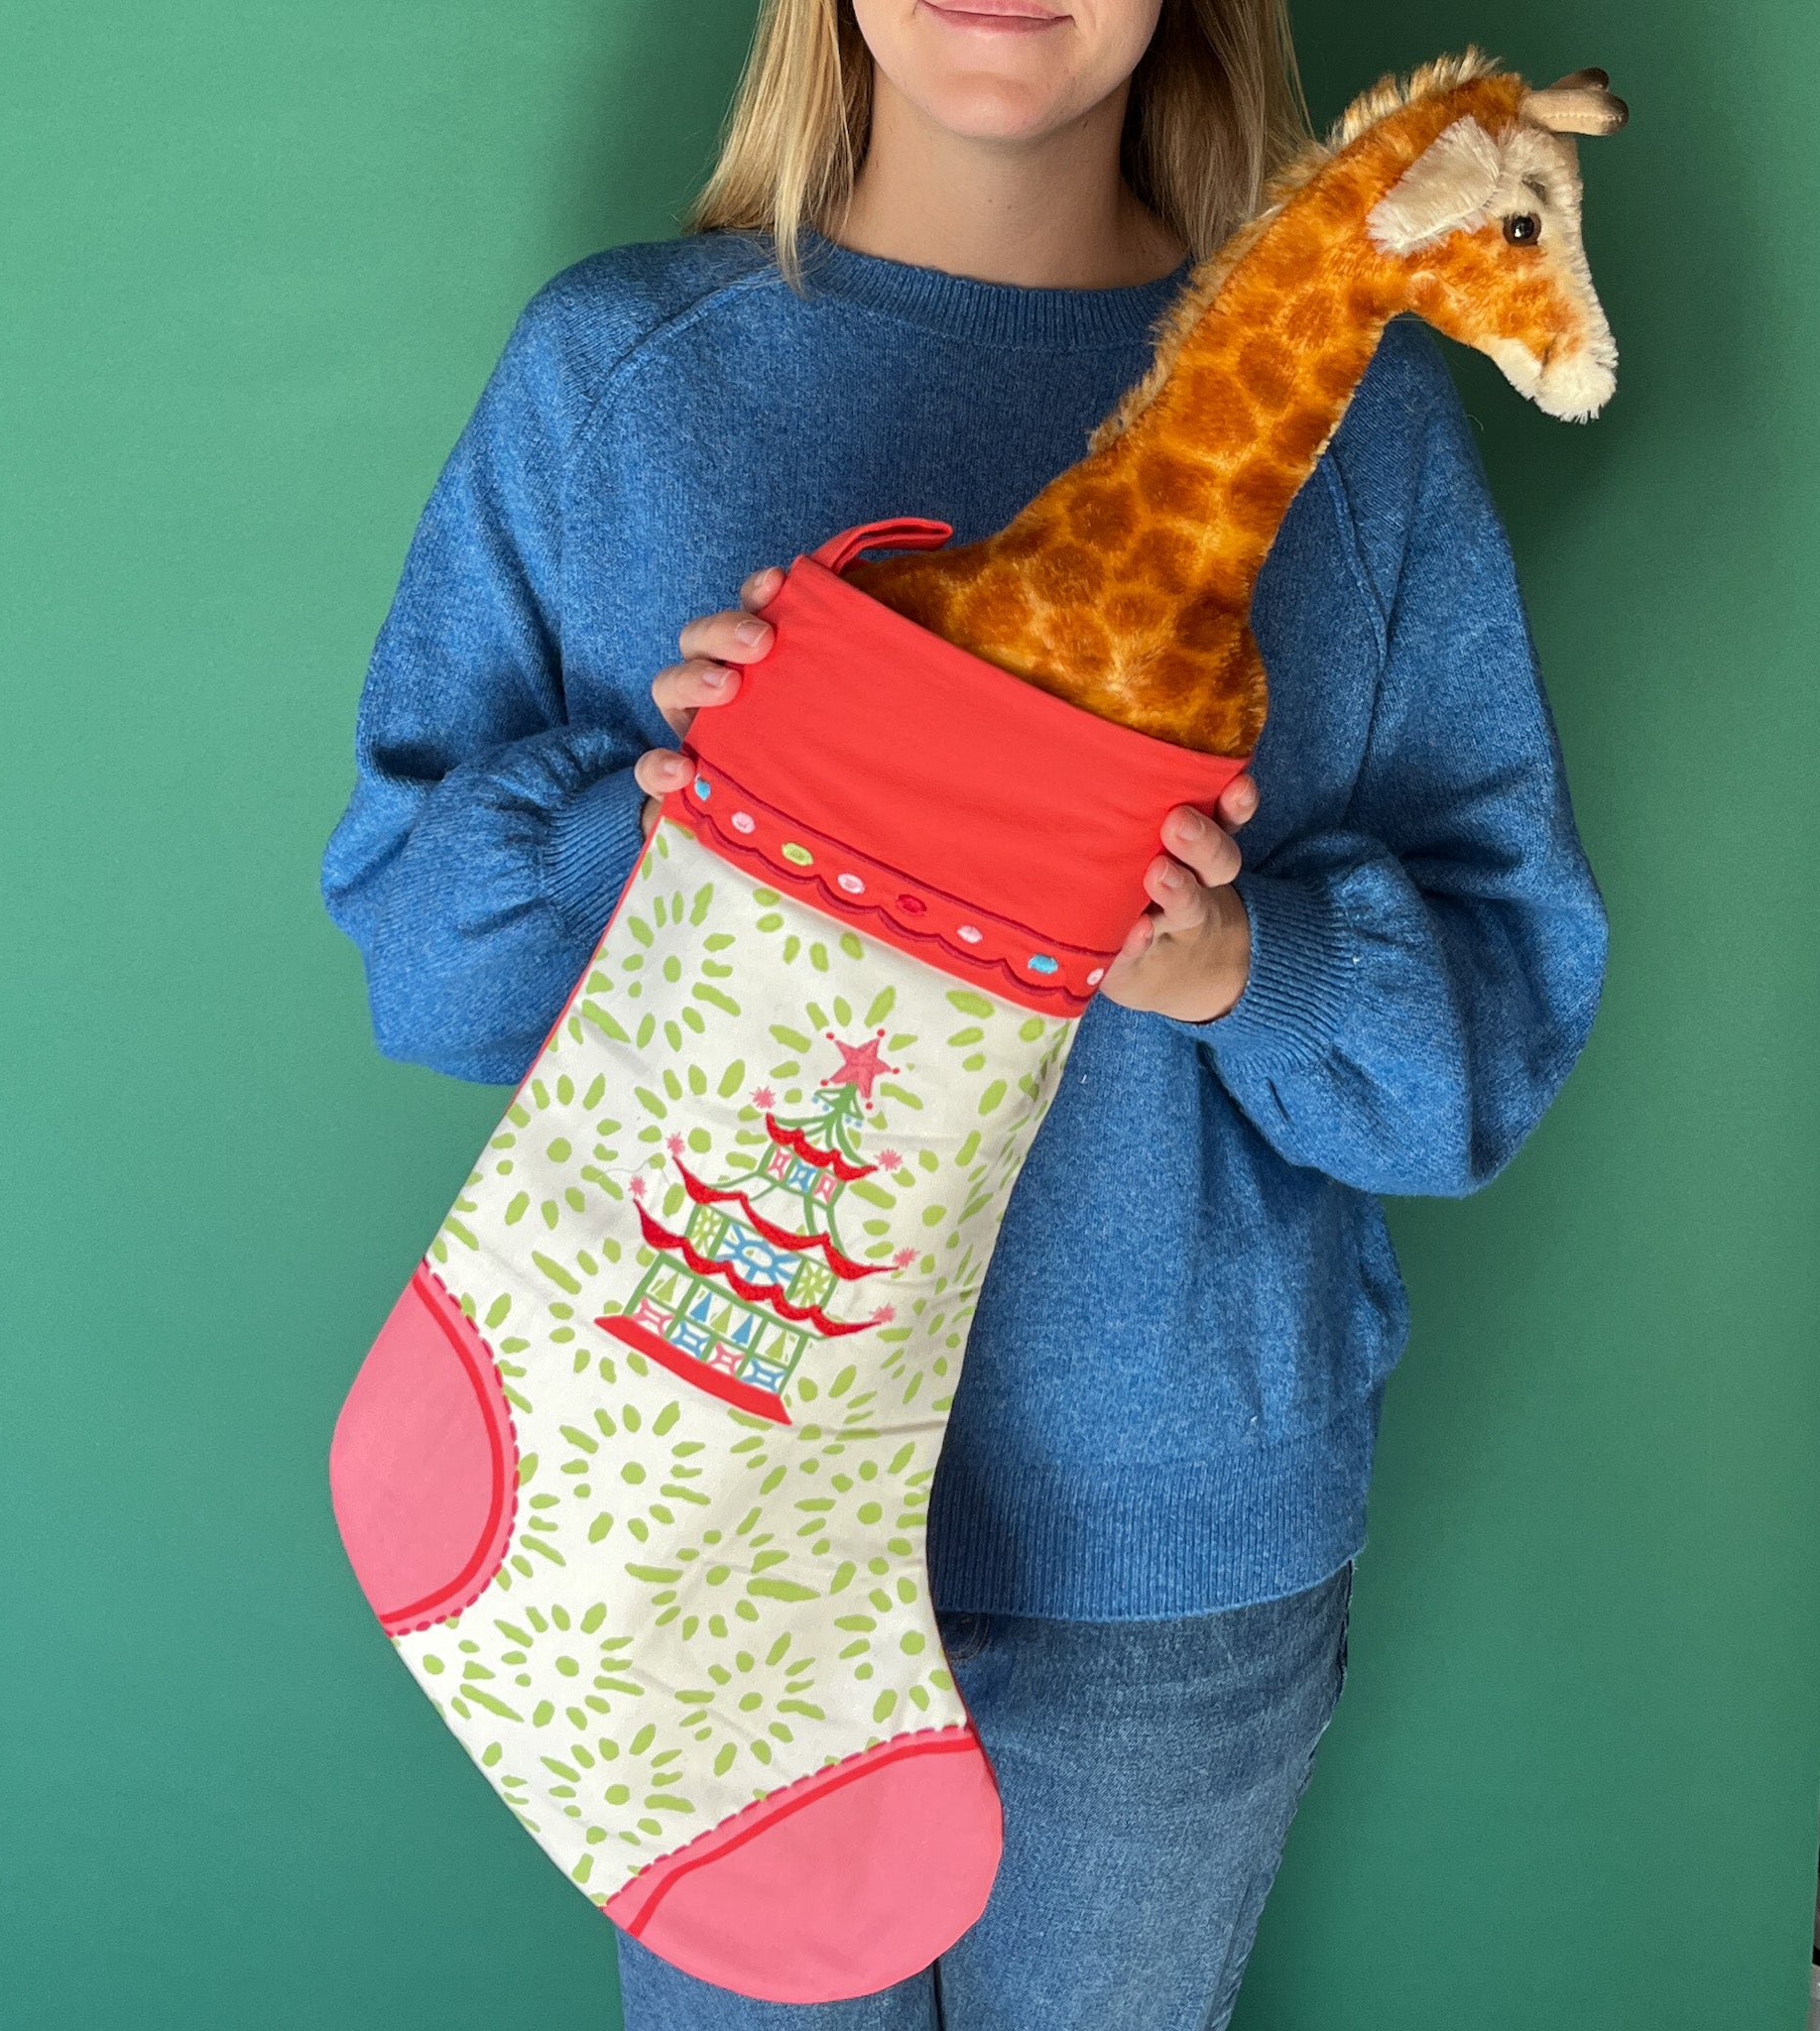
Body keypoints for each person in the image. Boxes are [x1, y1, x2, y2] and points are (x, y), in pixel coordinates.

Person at [321, 0, 1608, 2022]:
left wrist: (1234, 961)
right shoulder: (618, 379)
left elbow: (1480, 1042)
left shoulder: (1367, 435)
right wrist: (670, 822)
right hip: (689, 1499)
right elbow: (428, 957)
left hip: (1168, 1562)